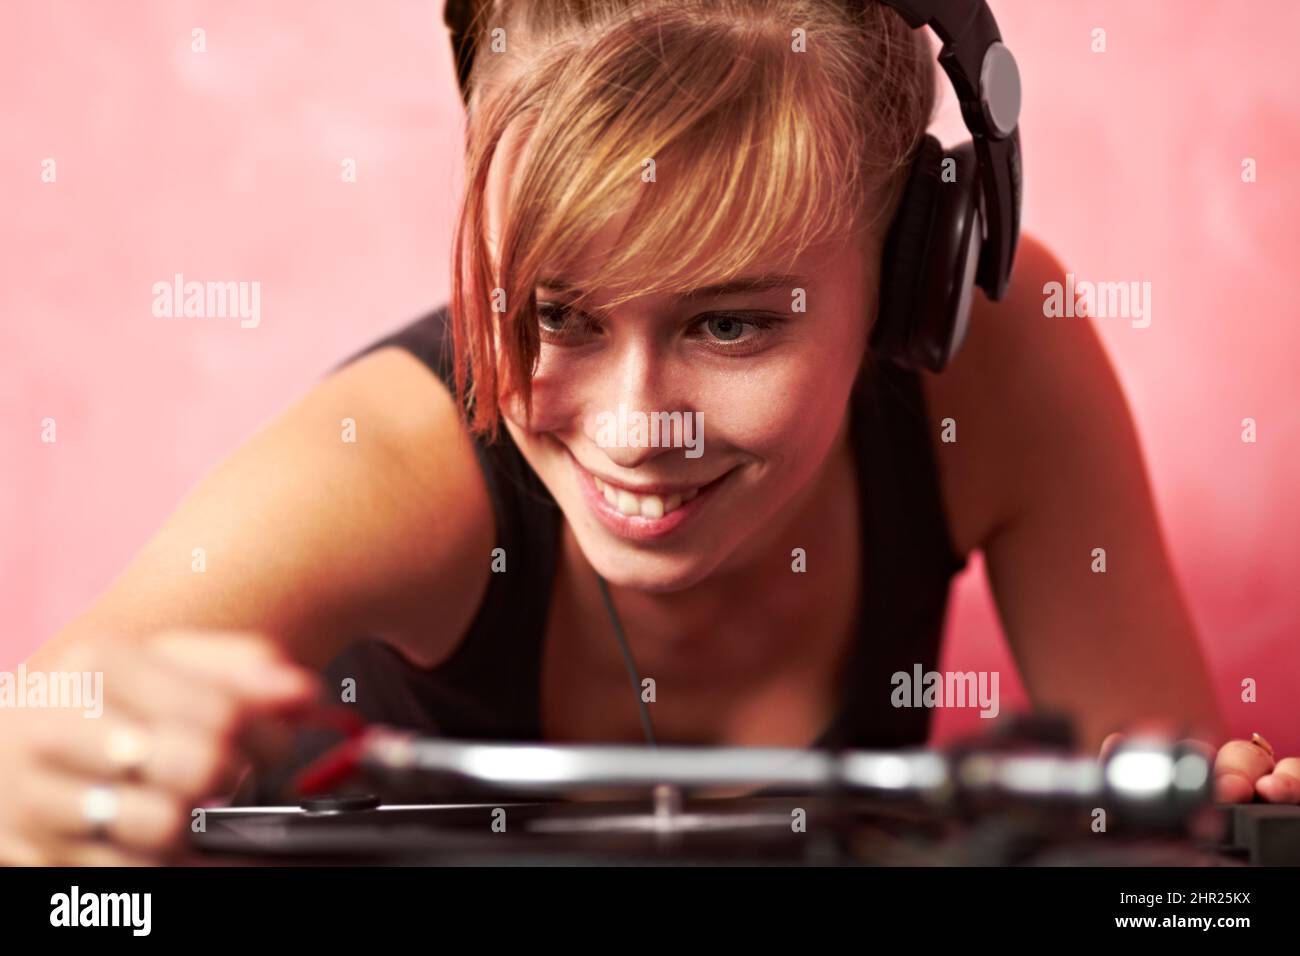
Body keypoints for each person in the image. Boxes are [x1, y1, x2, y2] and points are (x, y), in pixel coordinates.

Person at [2, 0, 1294, 866]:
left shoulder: (996, 377)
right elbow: (39, 742)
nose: (629, 429)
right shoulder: (390, 472)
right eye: (556, 310)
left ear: (915, 270)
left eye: (732, 326)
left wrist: (1194, 849)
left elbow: (1160, 848)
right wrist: (53, 778)